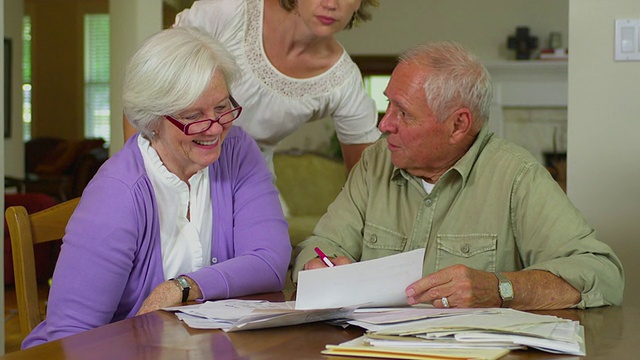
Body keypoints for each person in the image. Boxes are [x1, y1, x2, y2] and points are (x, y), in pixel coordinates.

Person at [292, 42, 624, 310]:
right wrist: (317, 267)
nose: (384, 124)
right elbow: (322, 245)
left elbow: (601, 272)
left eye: (403, 112)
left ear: (458, 125)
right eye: (388, 105)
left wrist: (499, 288)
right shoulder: (375, 162)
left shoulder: (516, 177)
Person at [23, 27, 291, 348]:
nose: (216, 128)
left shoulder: (237, 151)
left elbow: (269, 261)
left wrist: (182, 287)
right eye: (194, 115)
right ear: (152, 121)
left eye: (221, 107)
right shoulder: (117, 193)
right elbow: (72, 338)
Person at [123, 0, 382, 173]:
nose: (331, 4)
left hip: (247, 184)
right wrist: (139, 175)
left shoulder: (344, 80)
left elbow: (365, 178)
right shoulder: (230, 11)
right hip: (172, 168)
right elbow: (144, 90)